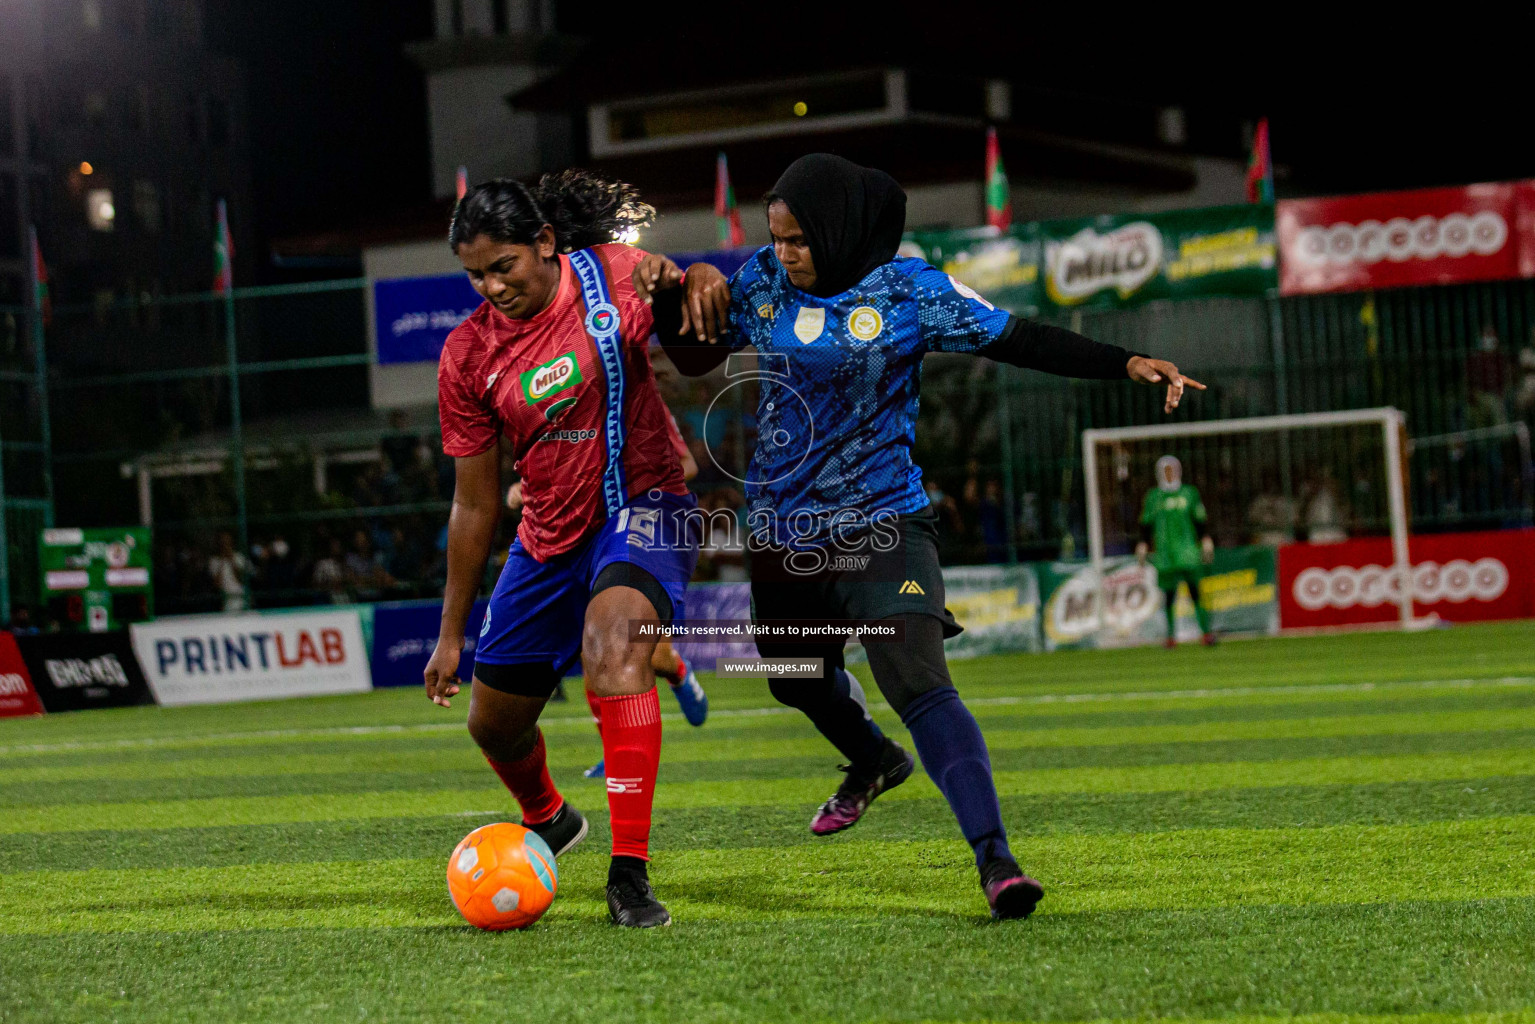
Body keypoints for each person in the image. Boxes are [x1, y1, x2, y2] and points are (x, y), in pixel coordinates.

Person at [638, 153, 1204, 920]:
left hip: (883, 523)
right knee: (794, 679)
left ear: (837, 231)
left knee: (915, 679)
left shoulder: (911, 289)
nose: (782, 254)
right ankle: (872, 758)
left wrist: (1124, 361)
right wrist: (692, 282)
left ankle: (995, 859)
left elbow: (1018, 338)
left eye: (798, 239)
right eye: (774, 238)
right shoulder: (763, 286)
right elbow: (693, 350)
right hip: (779, 532)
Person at [422, 170, 707, 928]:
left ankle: (630, 875)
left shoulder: (613, 274)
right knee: (493, 724)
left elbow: (701, 336)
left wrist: (686, 281)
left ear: (544, 243)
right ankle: (549, 817)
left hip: (651, 506)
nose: (489, 286)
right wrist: (451, 633)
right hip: (548, 535)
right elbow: (476, 502)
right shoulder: (466, 355)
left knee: (613, 649)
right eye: (474, 274)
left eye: (502, 266)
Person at [1136, 455, 1215, 648]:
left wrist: (1205, 538)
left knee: (1195, 592)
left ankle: (1206, 633)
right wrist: (1143, 543)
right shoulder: (1153, 497)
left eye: (1172, 470)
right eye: (1166, 471)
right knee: (1169, 596)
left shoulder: (1189, 493)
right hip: (1165, 553)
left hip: (1188, 551)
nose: (1169, 474)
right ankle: (1170, 637)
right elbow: (1145, 523)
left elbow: (1199, 518)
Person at [207, 531, 249, 613]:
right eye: (222, 542)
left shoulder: (239, 557)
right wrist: (222, 561)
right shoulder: (214, 561)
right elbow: (216, 584)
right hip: (225, 598)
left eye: (227, 542)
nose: (225, 545)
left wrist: (231, 559)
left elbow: (242, 579)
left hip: (241, 595)